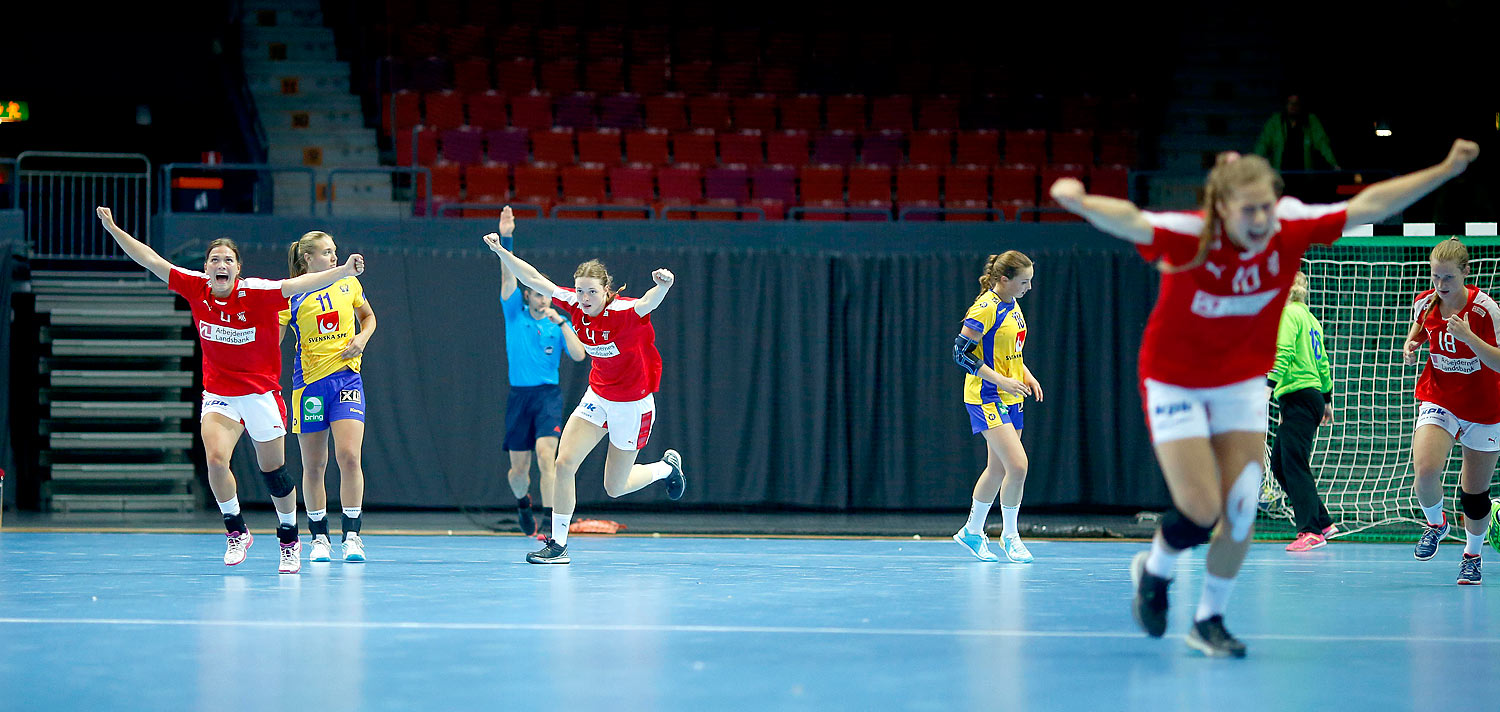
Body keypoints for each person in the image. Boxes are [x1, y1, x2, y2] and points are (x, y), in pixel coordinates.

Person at [1049, 138, 1479, 657]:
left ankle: (1209, 618)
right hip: (1175, 380)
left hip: (1240, 384)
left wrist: (1446, 167)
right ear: (1221, 209)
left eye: (1265, 206)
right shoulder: (1193, 235)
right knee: (1201, 507)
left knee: (1241, 505)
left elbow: (1370, 204)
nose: (1258, 219)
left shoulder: (1287, 226)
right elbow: (1130, 219)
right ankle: (1155, 569)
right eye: (1246, 209)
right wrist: (1077, 199)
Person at [96, 207, 366, 574]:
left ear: (238, 268)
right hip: (220, 393)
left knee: (274, 473)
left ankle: (289, 536)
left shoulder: (256, 292)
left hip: (260, 392)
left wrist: (344, 271)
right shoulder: (196, 288)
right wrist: (114, 229)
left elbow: (299, 284)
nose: (220, 265)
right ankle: (236, 530)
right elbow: (151, 259)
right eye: (213, 260)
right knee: (215, 459)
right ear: (207, 268)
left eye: (227, 260)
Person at [481, 207, 686, 564]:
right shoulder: (574, 304)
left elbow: (647, 302)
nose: (585, 298)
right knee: (563, 463)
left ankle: (667, 469)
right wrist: (503, 253)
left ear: (606, 291)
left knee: (615, 487)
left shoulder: (623, 311)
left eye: (591, 292)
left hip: (633, 404)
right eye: (580, 291)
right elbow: (533, 279)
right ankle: (558, 545)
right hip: (598, 396)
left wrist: (663, 285)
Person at [1402, 238, 1499, 585]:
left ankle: (1472, 555)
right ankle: (1436, 524)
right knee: (1425, 470)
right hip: (1440, 398)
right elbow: (1423, 323)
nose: (1441, 286)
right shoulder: (1427, 303)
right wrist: (1411, 342)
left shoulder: (1485, 310)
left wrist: (1470, 338)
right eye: (1435, 278)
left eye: (1448, 279)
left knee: (1474, 497)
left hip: (1484, 408)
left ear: (1466, 274)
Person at [281, 231, 377, 563]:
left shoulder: (348, 284)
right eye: (327, 252)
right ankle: (319, 536)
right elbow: (271, 340)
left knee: (349, 456)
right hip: (309, 386)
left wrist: (362, 339)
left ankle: (352, 535)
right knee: (314, 464)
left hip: (346, 379)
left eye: (335, 251)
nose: (334, 257)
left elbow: (369, 317)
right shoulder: (291, 295)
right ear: (308, 258)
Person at [494, 210, 586, 536]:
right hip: (520, 397)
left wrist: (562, 321)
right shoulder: (515, 315)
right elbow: (508, 278)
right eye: (536, 292)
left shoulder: (558, 324)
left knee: (549, 456)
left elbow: (578, 355)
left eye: (547, 293)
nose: (543, 297)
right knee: (518, 472)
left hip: (548, 396)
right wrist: (507, 239)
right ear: (527, 296)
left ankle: (549, 523)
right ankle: (523, 503)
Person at [951, 251, 1043, 563]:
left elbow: (1009, 353)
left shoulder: (1013, 304)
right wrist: (1002, 382)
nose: (1029, 287)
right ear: (1003, 280)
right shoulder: (985, 308)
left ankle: (972, 532)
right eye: (1024, 281)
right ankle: (1010, 536)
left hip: (1010, 395)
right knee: (1018, 465)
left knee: (999, 468)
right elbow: (961, 354)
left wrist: (1026, 376)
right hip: (986, 395)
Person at [1268, 272, 1339, 552]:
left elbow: (1283, 353)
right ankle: (1323, 521)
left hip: (1298, 395)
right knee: (1280, 465)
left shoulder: (1289, 315)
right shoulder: (1311, 319)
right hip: (1308, 396)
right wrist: (1327, 398)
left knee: (1294, 463)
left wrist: (1267, 385)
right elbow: (1323, 361)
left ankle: (1310, 530)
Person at [1253, 94, 1340, 172]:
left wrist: (1333, 164)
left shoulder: (1311, 121)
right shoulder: (1275, 122)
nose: (1293, 106)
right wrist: (1253, 164)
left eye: (1296, 103)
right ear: (1285, 104)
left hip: (1304, 176)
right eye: (1290, 103)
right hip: (1281, 176)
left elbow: (1322, 144)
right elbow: (1263, 144)